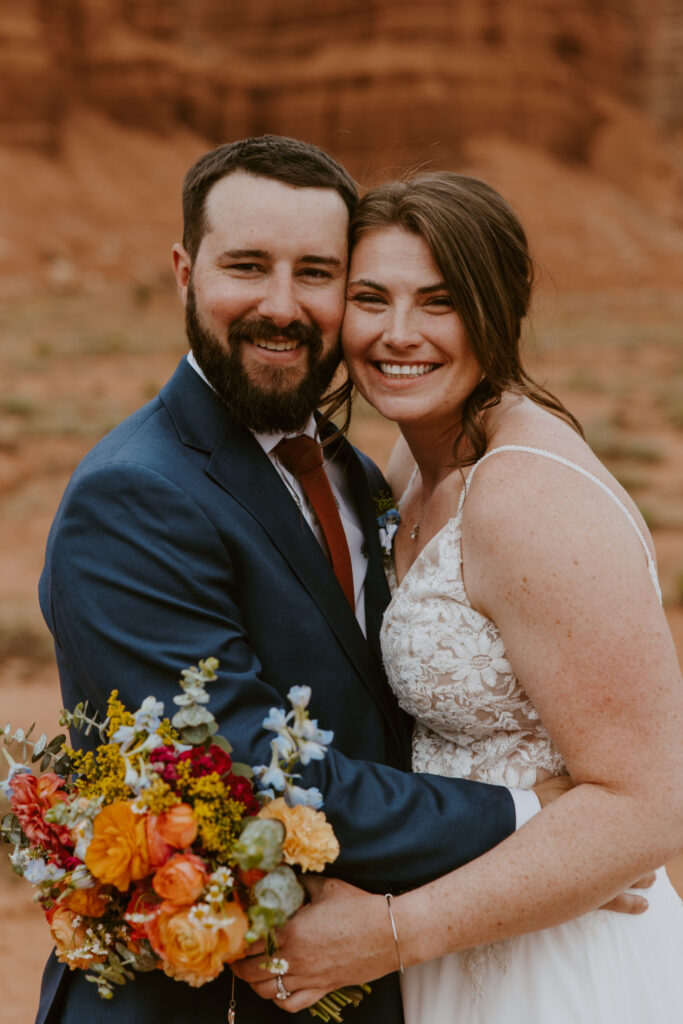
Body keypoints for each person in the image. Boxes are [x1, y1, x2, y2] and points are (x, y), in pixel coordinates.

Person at [35, 137, 577, 1024]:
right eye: (247, 266)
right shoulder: (133, 497)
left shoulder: (342, 464)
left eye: (316, 273)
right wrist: (528, 815)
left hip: (373, 972)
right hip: (207, 997)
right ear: (183, 271)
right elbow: (246, 773)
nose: (280, 307)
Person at [233, 172, 683, 1021]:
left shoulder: (522, 498)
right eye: (372, 297)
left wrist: (389, 933)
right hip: (462, 929)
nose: (398, 335)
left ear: (496, 312)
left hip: (553, 961)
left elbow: (651, 806)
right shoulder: (412, 463)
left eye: (439, 302)